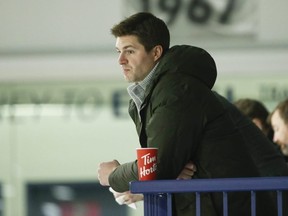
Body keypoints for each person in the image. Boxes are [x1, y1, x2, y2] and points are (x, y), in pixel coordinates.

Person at [97, 12, 288, 216]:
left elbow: (157, 166)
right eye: (118, 51)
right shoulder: (155, 94)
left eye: (130, 51)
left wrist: (114, 175)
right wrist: (170, 168)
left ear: (156, 53)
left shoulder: (175, 90)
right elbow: (164, 164)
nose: (120, 60)